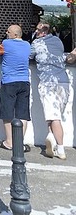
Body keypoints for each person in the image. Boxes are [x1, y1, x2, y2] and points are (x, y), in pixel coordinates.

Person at [30, 21, 69, 159]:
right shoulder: (58, 41)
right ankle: (51, 139)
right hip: (63, 81)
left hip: (48, 83)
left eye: (37, 30)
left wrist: (34, 40)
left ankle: (60, 147)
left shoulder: (36, 44)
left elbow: (29, 56)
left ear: (41, 32)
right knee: (53, 115)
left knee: (54, 116)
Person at [0, 23, 31, 152]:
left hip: (9, 81)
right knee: (23, 113)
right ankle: (19, 143)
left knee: (7, 112)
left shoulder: (6, 43)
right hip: (24, 81)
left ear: (15, 34)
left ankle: (9, 142)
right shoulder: (27, 45)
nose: (6, 32)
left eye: (9, 31)